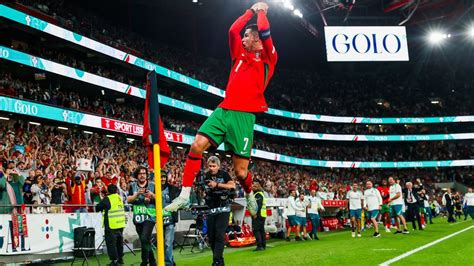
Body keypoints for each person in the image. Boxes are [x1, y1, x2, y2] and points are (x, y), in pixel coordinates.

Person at [165, 1, 278, 217]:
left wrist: (262, 10)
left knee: (240, 171)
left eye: (247, 35)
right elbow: (232, 30)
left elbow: (264, 29)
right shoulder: (239, 54)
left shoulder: (268, 59)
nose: (242, 38)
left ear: (256, 39)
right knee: (197, 145)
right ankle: (184, 195)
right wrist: (250, 11)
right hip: (224, 110)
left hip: (244, 118)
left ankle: (249, 194)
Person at [201, 156, 236, 266]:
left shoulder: (223, 174)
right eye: (210, 166)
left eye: (214, 166)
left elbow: (232, 185)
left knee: (219, 235)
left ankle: (216, 260)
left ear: (218, 166)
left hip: (223, 209)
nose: (211, 168)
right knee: (211, 237)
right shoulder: (206, 176)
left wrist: (217, 185)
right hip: (211, 209)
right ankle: (219, 261)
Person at [127, 166, 157, 266]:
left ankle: (145, 261)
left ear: (147, 175)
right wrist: (136, 195)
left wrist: (152, 195)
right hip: (138, 215)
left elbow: (160, 199)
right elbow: (128, 199)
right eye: (140, 173)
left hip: (150, 215)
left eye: (144, 173)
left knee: (144, 237)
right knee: (144, 240)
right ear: (137, 175)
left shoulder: (153, 185)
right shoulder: (132, 185)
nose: (142, 175)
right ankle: (150, 261)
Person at [95, 184, 126, 266]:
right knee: (119, 242)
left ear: (108, 191)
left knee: (111, 243)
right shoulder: (119, 197)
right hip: (120, 223)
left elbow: (97, 208)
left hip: (111, 224)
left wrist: (102, 198)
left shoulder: (108, 199)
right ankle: (120, 259)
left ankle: (114, 261)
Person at [160, 170, 180, 266]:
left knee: (168, 243)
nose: (162, 179)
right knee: (163, 243)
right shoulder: (154, 189)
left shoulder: (173, 189)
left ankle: (168, 264)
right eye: (161, 177)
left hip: (170, 220)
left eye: (164, 177)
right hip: (159, 219)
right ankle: (170, 260)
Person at [252, 179, 267, 251]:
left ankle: (259, 246)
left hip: (258, 215)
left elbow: (258, 205)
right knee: (261, 230)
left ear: (258, 187)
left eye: (255, 186)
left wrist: (255, 214)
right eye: (253, 186)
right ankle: (263, 245)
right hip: (262, 214)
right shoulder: (261, 194)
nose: (253, 187)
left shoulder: (257, 194)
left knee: (256, 230)